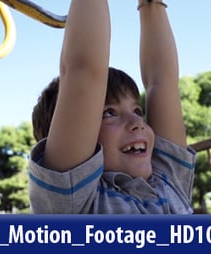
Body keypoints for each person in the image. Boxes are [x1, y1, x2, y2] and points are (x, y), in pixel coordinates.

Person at [29, 0, 195, 214]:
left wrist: (151, 4)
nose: (137, 123)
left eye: (137, 111)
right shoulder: (74, 202)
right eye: (109, 113)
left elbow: (162, 83)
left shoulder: (166, 183)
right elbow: (85, 73)